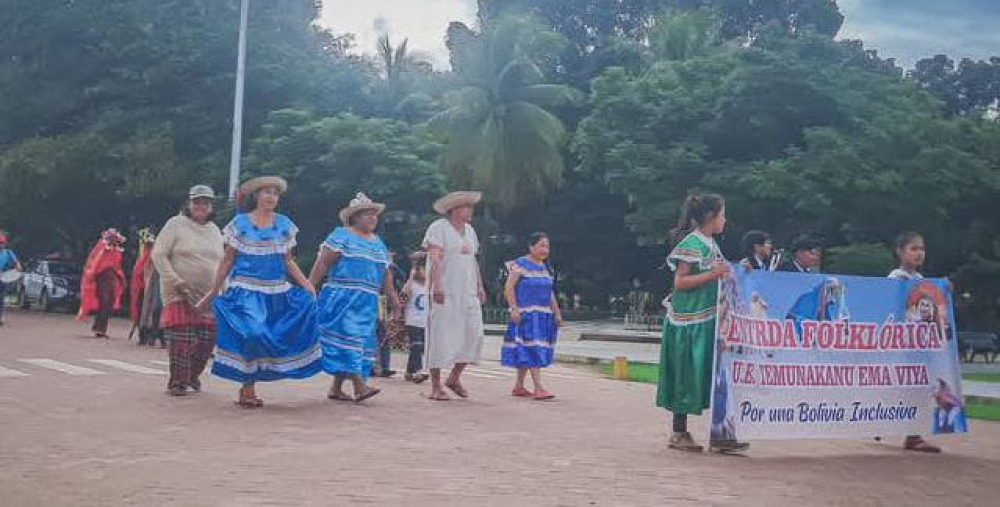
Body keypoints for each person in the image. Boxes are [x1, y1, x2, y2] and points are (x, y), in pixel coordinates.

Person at [200, 176, 321, 408]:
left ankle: (249, 386)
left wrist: (306, 283)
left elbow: (288, 260)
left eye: (275, 193)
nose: (271, 197)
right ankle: (248, 385)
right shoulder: (240, 223)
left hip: (276, 291)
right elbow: (227, 261)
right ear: (256, 196)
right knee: (254, 333)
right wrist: (214, 291)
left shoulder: (284, 224)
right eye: (266, 192)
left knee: (275, 334)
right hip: (245, 290)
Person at [657, 193, 748, 454]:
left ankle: (722, 432)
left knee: (717, 377)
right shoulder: (692, 243)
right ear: (710, 217)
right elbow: (680, 282)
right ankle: (679, 431)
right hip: (689, 323)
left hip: (709, 321)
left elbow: (719, 273)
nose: (725, 220)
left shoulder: (710, 244)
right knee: (687, 375)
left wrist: (736, 269)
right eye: (722, 215)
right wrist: (713, 274)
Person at [308, 193, 400, 403]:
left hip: (367, 301)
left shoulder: (378, 243)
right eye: (367, 214)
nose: (372, 218)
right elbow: (323, 262)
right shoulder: (342, 235)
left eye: (374, 215)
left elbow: (386, 272)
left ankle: (336, 388)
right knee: (349, 338)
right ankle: (359, 386)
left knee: (359, 342)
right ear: (355, 217)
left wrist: (393, 296)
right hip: (342, 297)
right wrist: (309, 286)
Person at [151, 185, 225, 396]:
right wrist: (175, 280)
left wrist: (223, 291)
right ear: (189, 204)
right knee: (181, 341)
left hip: (208, 296)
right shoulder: (175, 224)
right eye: (197, 202)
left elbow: (222, 264)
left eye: (206, 203)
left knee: (206, 341)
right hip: (179, 292)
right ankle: (177, 382)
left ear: (211, 206)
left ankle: (192, 375)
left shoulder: (214, 230)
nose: (201, 206)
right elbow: (159, 254)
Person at [422, 191, 486, 401]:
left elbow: (473, 261)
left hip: (468, 291)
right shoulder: (439, 228)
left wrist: (479, 285)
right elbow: (435, 258)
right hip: (446, 291)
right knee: (440, 335)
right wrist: (437, 285)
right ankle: (435, 385)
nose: (471, 210)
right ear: (455, 209)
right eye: (467, 206)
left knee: (474, 334)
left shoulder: (470, 231)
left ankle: (454, 377)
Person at [888, 231, 943, 453]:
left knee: (920, 388)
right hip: (902, 345)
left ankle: (913, 434)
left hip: (920, 345)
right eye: (913, 248)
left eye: (922, 249)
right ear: (900, 252)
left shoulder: (922, 282)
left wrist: (944, 291)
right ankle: (910, 433)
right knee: (906, 387)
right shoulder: (895, 278)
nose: (919, 253)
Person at [502, 232, 563, 400]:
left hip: (542, 315)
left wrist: (556, 313)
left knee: (527, 348)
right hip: (526, 314)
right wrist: (514, 308)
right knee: (533, 348)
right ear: (531, 246)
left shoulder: (544, 267)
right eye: (542, 245)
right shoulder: (520, 265)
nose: (545, 249)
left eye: (547, 246)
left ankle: (519, 386)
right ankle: (538, 387)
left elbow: (549, 293)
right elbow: (509, 287)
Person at [77, 229, 126, 338]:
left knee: (108, 303)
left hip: (111, 279)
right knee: (104, 302)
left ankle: (101, 327)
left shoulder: (116, 251)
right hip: (101, 278)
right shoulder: (101, 249)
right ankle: (99, 328)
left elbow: (117, 266)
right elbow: (94, 263)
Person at [130, 228, 165, 347]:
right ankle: (145, 334)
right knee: (148, 310)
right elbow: (141, 271)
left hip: (161, 283)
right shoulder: (146, 255)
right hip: (146, 285)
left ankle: (159, 335)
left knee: (159, 308)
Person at [402, 251, 430, 384]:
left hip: (424, 321)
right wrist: (411, 277)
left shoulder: (429, 286)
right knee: (416, 346)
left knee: (417, 347)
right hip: (412, 319)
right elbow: (404, 292)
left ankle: (409, 372)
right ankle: (418, 372)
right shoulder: (413, 284)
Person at [0, 232, 23, 326]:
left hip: (3, 278)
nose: (0, 245)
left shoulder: (8, 253)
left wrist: (18, 267)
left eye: (1, 243)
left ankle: (1, 317)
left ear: (5, 244)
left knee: (1, 298)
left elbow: (17, 263)